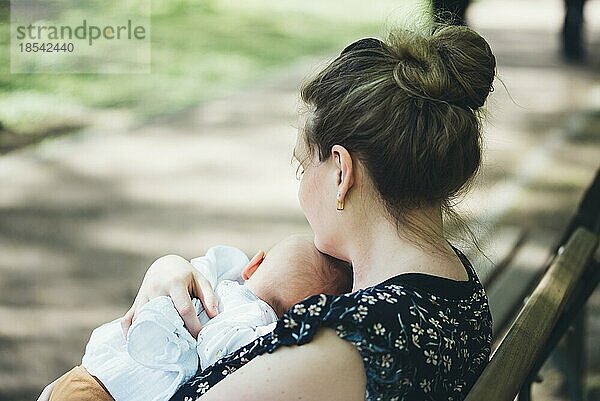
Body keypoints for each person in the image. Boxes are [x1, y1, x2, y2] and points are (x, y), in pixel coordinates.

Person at [39, 23, 496, 401]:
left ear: (341, 171)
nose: (301, 191)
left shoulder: (347, 343)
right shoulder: (451, 289)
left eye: (303, 167)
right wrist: (171, 271)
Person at [47, 235, 351, 401]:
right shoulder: (260, 330)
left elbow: (187, 269)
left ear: (254, 264)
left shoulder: (221, 277)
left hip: (95, 371)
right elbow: (221, 355)